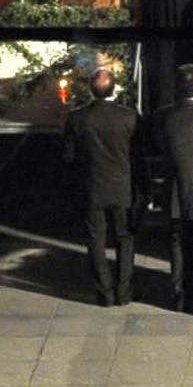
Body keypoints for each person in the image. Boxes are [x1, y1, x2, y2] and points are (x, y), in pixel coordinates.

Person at [66, 63, 139, 310]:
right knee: (124, 239)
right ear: (114, 88)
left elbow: (68, 155)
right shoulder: (129, 117)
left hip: (92, 187)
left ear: (90, 89)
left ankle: (105, 293)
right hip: (122, 188)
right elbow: (138, 155)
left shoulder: (77, 118)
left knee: (96, 240)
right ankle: (124, 291)